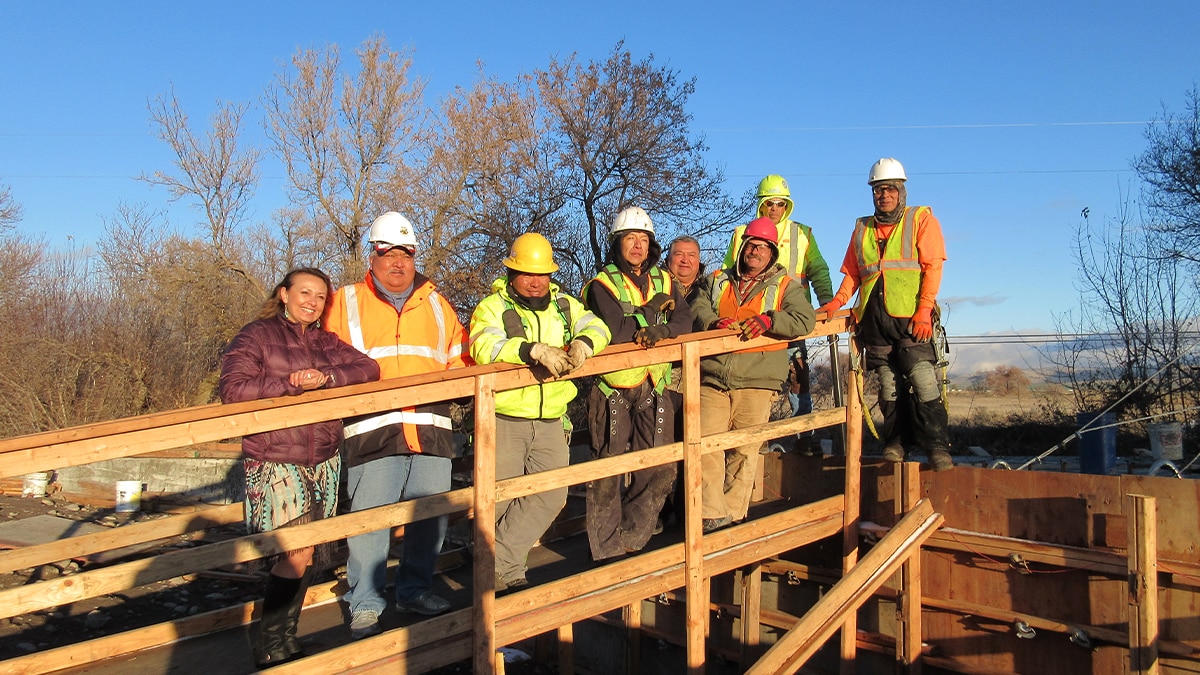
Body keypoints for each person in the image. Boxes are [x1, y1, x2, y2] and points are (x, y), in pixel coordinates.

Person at [219, 267, 381, 667]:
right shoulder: (256, 335)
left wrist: (326, 377)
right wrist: (292, 383)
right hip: (276, 456)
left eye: (320, 297)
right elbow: (233, 390)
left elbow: (368, 369)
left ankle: (283, 639)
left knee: (306, 553)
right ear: (284, 294)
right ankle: (270, 643)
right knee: (293, 551)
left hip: (323, 455)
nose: (312, 301)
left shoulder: (327, 341)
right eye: (305, 293)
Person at [323, 211, 472, 639]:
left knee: (431, 518)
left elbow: (460, 358)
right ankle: (366, 602)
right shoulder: (344, 301)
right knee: (370, 520)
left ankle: (414, 590)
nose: (397, 262)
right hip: (374, 431)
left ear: (414, 256)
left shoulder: (437, 303)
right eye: (387, 253)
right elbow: (323, 359)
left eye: (405, 254)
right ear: (372, 256)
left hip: (430, 430)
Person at [469, 233, 611, 591]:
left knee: (551, 495)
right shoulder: (492, 307)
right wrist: (530, 350)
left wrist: (583, 344)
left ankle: (493, 564)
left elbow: (598, 326)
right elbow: (483, 345)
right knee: (498, 502)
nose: (535, 282)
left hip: (551, 418)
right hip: (504, 417)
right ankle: (509, 572)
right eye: (526, 273)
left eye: (542, 274)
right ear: (511, 272)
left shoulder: (564, 305)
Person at [817, 158, 952, 471]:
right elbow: (854, 272)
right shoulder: (862, 228)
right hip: (875, 322)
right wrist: (836, 303)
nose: (884, 195)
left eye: (890, 189)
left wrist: (924, 311)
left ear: (901, 190)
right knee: (889, 387)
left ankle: (937, 447)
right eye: (878, 190)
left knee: (923, 381)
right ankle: (895, 443)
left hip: (911, 320)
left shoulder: (920, 219)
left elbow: (933, 268)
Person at [582, 206, 693, 561]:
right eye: (630, 238)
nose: (637, 246)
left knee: (660, 466)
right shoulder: (602, 285)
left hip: (653, 383)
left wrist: (661, 330)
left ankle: (633, 537)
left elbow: (685, 322)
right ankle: (606, 550)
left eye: (643, 239)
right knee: (608, 468)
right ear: (617, 243)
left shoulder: (664, 280)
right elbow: (616, 333)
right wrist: (653, 314)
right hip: (613, 388)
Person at [693, 218, 816, 532]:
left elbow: (805, 320)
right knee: (706, 447)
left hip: (758, 380)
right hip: (714, 375)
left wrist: (769, 320)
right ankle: (711, 514)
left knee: (745, 451)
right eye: (751, 245)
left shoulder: (786, 286)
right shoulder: (717, 279)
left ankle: (732, 517)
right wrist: (712, 323)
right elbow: (696, 307)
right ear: (741, 248)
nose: (755, 251)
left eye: (762, 247)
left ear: (772, 253)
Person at [724, 175, 833, 455]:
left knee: (799, 376)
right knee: (754, 381)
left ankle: (804, 436)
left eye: (780, 203)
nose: (775, 208)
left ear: (787, 205)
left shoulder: (802, 233)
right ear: (761, 205)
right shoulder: (741, 234)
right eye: (769, 203)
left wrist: (828, 303)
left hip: (790, 321)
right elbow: (725, 277)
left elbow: (819, 270)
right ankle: (755, 439)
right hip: (752, 323)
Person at [659, 235, 707, 527]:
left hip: (701, 381)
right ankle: (661, 513)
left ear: (699, 261)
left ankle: (687, 512)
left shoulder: (710, 289)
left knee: (694, 448)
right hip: (664, 380)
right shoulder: (657, 286)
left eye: (691, 255)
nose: (685, 260)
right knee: (664, 448)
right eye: (679, 254)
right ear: (668, 260)